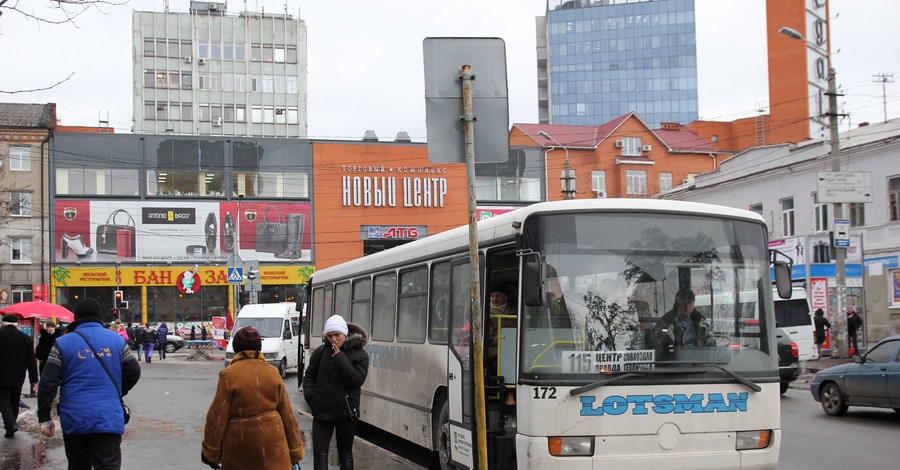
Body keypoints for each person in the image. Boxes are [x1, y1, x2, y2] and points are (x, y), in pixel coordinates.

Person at [37, 298, 141, 468]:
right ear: (99, 317)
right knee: (108, 466)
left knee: (78, 465)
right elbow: (134, 372)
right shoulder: (117, 341)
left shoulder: (62, 344)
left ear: (76, 319)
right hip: (108, 417)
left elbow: (47, 382)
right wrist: (116, 391)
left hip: (75, 418)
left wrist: (44, 417)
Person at [201, 326, 304, 469]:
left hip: (241, 446)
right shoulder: (273, 373)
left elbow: (217, 417)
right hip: (274, 446)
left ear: (236, 347)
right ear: (259, 348)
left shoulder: (228, 375)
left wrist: (211, 452)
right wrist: (295, 451)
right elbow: (288, 415)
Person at [303, 315, 369, 470]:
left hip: (346, 414)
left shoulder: (360, 355)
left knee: (345, 455)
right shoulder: (320, 352)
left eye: (337, 335)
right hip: (322, 413)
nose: (333, 339)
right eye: (330, 335)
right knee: (320, 455)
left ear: (344, 334)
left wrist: (339, 357)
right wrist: (312, 398)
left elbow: (356, 380)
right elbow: (309, 376)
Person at [0, 314, 39, 438]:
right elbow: (31, 360)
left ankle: (10, 424)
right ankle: (12, 424)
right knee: (15, 399)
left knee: (3, 398)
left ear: (3, 323)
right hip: (19, 375)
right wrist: (34, 378)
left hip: (1, 375)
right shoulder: (25, 338)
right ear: (17, 324)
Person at [655, 288, 714, 355]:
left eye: (690, 303)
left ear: (694, 303)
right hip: (675, 363)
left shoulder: (702, 323)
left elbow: (711, 347)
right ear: (677, 303)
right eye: (683, 303)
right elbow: (659, 349)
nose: (687, 306)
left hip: (699, 363)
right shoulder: (666, 323)